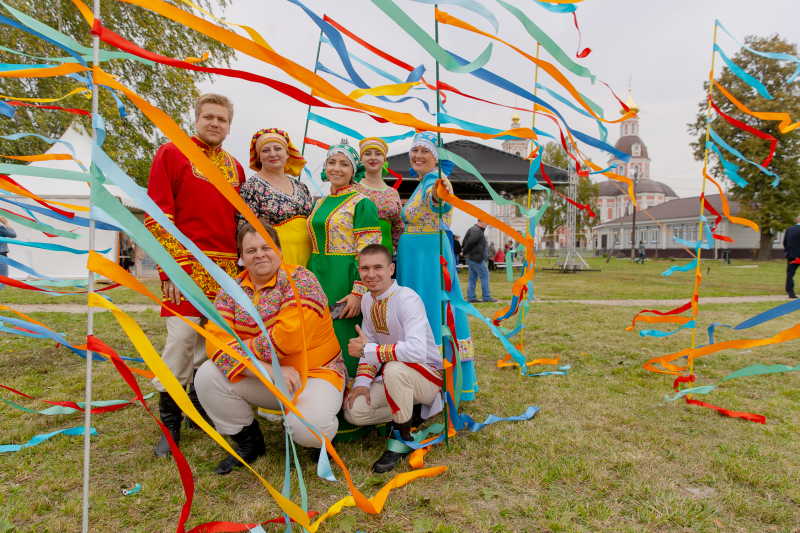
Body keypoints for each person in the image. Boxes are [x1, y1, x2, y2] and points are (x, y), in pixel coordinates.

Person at [196, 222, 346, 474]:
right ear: (241, 257)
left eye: (266, 247)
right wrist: (267, 371)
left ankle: (322, 434)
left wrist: (238, 346)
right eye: (251, 250)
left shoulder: (302, 280)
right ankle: (249, 443)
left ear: (279, 250)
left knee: (308, 430)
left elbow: (286, 339)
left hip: (315, 374)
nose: (260, 254)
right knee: (207, 375)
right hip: (271, 377)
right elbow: (215, 343)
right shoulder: (231, 290)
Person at [145, 93, 246, 458]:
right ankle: (169, 424)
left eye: (222, 119)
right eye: (208, 117)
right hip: (184, 268)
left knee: (213, 344)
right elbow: (158, 215)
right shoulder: (172, 153)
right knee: (182, 341)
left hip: (226, 273)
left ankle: (201, 408)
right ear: (196, 119)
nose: (215, 123)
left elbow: (238, 223)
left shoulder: (236, 168)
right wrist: (170, 270)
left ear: (229, 126)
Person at [343, 244, 442, 473]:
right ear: (359, 271)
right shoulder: (367, 300)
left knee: (393, 368)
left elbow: (416, 351)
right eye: (365, 268)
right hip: (396, 378)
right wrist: (362, 383)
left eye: (378, 267)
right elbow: (369, 345)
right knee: (354, 412)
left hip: (427, 378)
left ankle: (401, 439)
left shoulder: (407, 298)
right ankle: (410, 412)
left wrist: (369, 351)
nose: (371, 274)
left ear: (391, 269)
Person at [308, 143, 382, 441]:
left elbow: (369, 250)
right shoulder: (320, 202)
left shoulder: (362, 203)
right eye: (331, 162)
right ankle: (318, 408)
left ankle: (349, 420)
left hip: (344, 282)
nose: (336, 168)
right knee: (320, 341)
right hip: (318, 277)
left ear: (354, 171)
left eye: (344, 164)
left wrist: (358, 291)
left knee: (343, 341)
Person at [396, 132, 478, 402]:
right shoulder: (423, 181)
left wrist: (436, 194)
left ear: (437, 158)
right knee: (418, 310)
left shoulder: (435, 181)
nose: (418, 155)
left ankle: (435, 381)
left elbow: (438, 201)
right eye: (415, 150)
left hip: (428, 259)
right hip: (416, 258)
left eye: (425, 151)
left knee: (429, 311)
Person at [237, 128, 313, 267]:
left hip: (308, 258)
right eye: (265, 150)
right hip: (275, 261)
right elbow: (245, 230)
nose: (272, 154)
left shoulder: (301, 186)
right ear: (259, 156)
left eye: (278, 148)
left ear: (287, 153)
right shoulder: (251, 188)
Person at [357, 137, 404, 256]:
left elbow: (398, 229)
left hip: (386, 254)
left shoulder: (392, 193)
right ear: (361, 159)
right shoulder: (353, 188)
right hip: (358, 253)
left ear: (384, 160)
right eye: (368, 153)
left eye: (378, 154)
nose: (373, 157)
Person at [462, 220, 496, 303]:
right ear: (483, 221)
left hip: (473, 258)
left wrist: (465, 252)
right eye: (486, 223)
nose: (487, 225)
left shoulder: (475, 229)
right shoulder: (476, 230)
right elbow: (470, 241)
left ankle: (471, 297)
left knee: (472, 278)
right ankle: (486, 297)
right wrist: (464, 251)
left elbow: (466, 242)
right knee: (485, 275)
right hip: (476, 258)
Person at [784, 215, 800, 299]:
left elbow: (785, 242)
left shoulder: (789, 230)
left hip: (792, 255)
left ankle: (790, 292)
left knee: (790, 274)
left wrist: (788, 252)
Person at [0, 215, 16, 291]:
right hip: (1, 257)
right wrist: (6, 223)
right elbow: (13, 234)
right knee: (4, 278)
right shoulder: (1, 228)